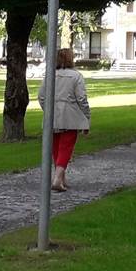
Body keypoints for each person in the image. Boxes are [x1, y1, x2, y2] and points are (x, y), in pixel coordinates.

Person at [39, 47, 91, 192]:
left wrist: (48, 109)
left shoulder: (49, 75)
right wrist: (86, 116)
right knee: (66, 146)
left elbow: (41, 96)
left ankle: (60, 178)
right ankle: (57, 178)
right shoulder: (76, 76)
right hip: (70, 116)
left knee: (55, 147)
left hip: (52, 115)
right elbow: (81, 99)